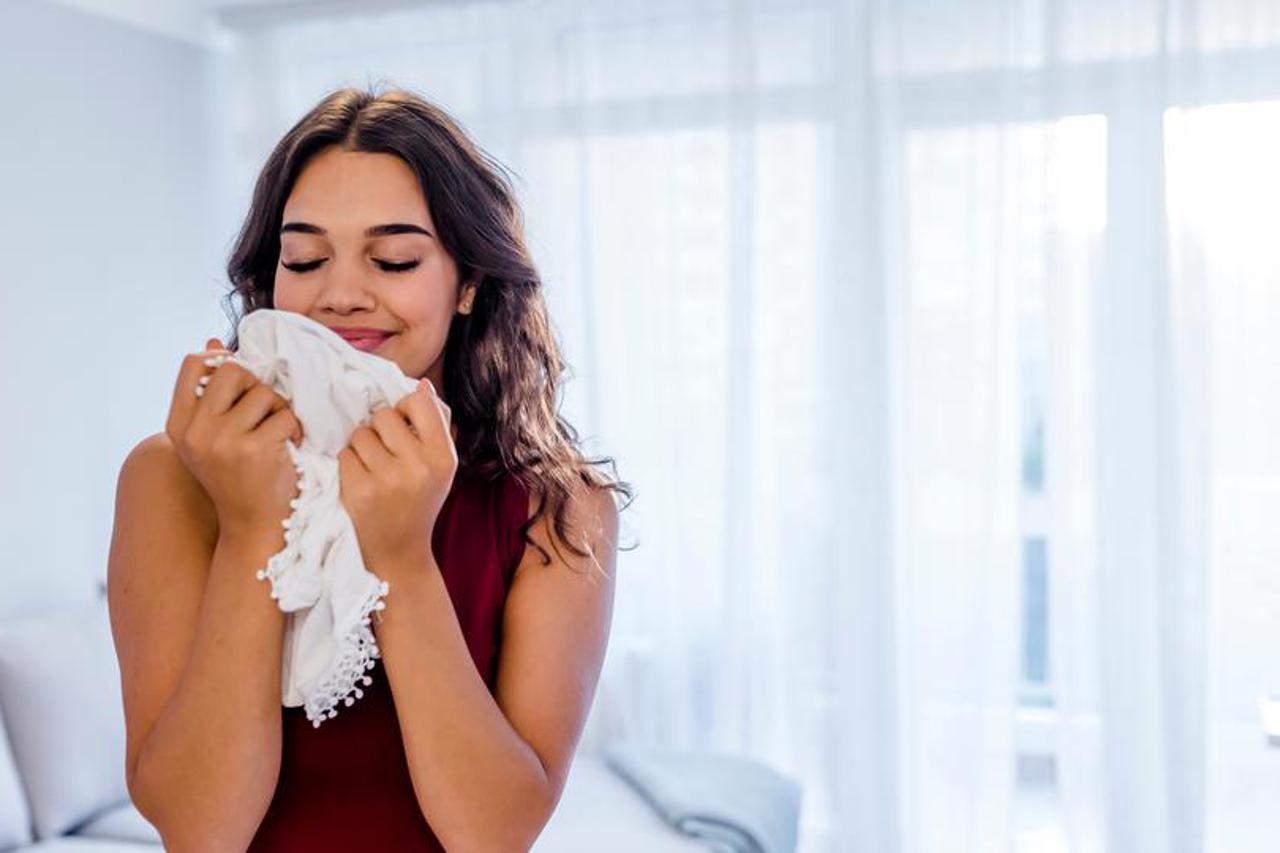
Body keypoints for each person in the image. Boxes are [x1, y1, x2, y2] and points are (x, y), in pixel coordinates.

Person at [105, 84, 633, 852]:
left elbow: (494, 834)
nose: (341, 294)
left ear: (469, 282)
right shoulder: (173, 478)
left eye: (393, 259)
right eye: (305, 258)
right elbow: (199, 830)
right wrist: (253, 528)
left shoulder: (558, 507)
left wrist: (401, 557)